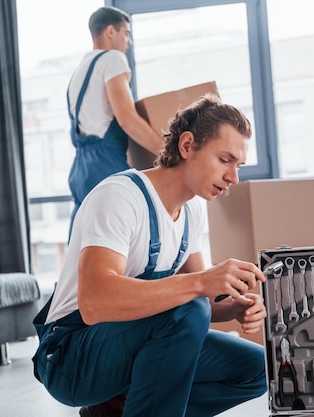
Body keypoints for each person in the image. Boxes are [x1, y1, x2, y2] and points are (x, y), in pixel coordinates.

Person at [32, 94, 268, 417]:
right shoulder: (120, 198)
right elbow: (94, 303)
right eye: (225, 160)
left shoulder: (192, 211)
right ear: (187, 146)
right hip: (70, 356)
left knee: (255, 368)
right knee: (188, 307)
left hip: (124, 345)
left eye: (238, 165)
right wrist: (202, 282)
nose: (234, 177)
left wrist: (233, 308)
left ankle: (116, 410)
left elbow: (205, 305)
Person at [66, 6, 164, 236]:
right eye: (126, 33)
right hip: (105, 165)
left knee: (85, 241)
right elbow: (127, 118)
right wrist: (167, 151)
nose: (128, 41)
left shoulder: (79, 70)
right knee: (130, 236)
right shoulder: (113, 59)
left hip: (81, 169)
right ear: (110, 31)